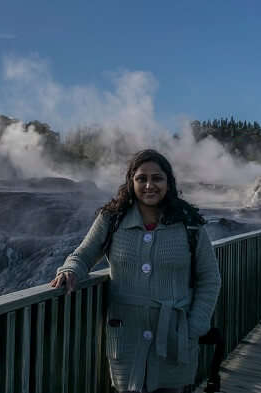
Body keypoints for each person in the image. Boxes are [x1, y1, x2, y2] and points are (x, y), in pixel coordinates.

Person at [50, 149, 221, 393]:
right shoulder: (112, 219)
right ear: (131, 181)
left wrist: (194, 327)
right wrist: (70, 270)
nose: (149, 185)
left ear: (168, 182)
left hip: (173, 335)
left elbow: (209, 279)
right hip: (127, 336)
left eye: (157, 178)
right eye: (142, 178)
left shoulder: (189, 224)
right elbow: (84, 254)